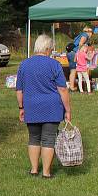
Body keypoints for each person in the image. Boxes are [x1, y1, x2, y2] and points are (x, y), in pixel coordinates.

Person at [16, 34, 71, 178]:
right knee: (48, 139)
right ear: (47, 48)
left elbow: (19, 89)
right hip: (52, 107)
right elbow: (63, 89)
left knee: (33, 138)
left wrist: (21, 107)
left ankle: (34, 169)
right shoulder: (54, 65)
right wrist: (68, 110)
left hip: (31, 106)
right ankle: (46, 172)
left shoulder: (24, 64)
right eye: (51, 49)